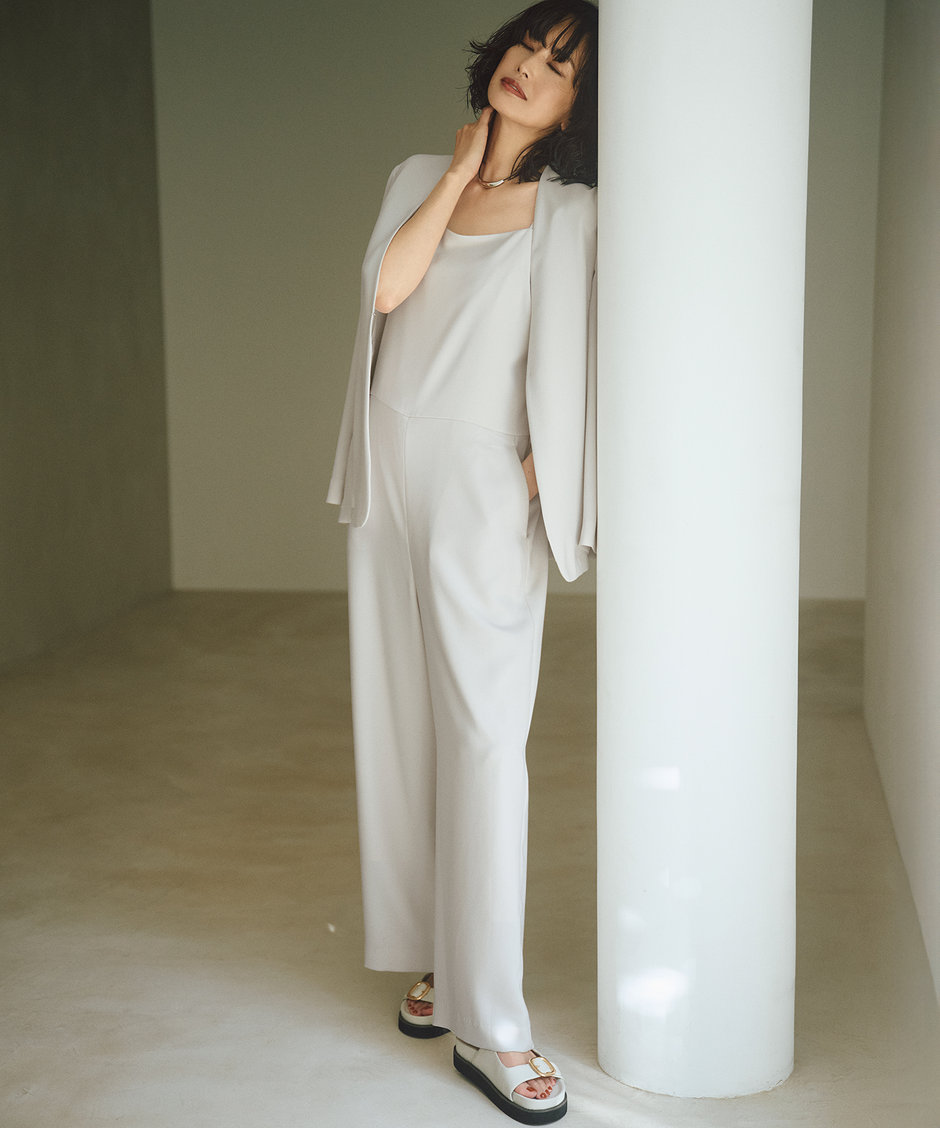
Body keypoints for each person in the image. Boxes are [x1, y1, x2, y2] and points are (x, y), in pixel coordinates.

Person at [327, 1, 597, 1121]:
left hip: (480, 484)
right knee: (401, 725)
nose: (532, 66)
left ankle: (493, 1025)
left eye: (561, 65)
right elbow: (387, 294)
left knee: (485, 744)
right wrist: (455, 174)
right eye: (529, 45)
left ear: (578, 107)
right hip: (387, 472)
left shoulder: (574, 215)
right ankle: (440, 965)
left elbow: (595, 365)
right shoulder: (413, 177)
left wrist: (521, 486)